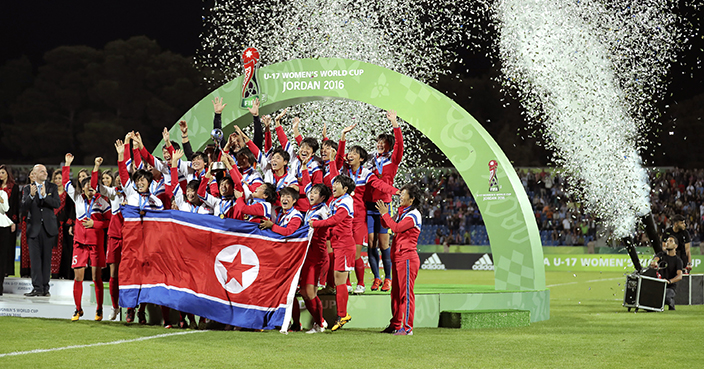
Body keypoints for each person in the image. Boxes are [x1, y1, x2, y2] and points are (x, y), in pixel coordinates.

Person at [63, 154, 112, 321]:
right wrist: (68, 164)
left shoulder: (102, 203)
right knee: (78, 277)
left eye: (92, 186)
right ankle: (78, 309)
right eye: (86, 186)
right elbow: (65, 183)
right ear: (82, 188)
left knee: (96, 277)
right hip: (79, 243)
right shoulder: (77, 199)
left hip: (96, 244)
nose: (89, 188)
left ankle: (99, 309)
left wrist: (95, 225)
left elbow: (109, 221)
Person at [310, 175, 356, 331]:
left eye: (338, 184)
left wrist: (315, 224)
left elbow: (335, 220)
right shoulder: (337, 201)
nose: (334, 186)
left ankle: (343, 314)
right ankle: (342, 314)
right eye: (334, 183)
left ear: (345, 189)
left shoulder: (346, 202)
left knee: (340, 281)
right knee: (338, 281)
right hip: (339, 245)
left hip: (345, 245)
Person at [377, 184, 422, 335]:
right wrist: (383, 213)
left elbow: (395, 228)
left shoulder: (414, 214)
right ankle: (396, 324)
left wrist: (385, 214)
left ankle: (408, 328)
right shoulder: (402, 212)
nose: (400, 196)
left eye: (403, 194)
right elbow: (386, 224)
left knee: (406, 294)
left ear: (412, 199)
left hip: (408, 257)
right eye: (400, 193)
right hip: (398, 257)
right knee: (395, 294)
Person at [366, 110, 403, 292]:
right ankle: (376, 278)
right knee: (371, 243)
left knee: (383, 244)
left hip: (384, 204)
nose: (380, 144)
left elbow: (400, 146)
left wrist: (395, 123)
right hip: (369, 205)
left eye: (384, 142)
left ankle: (388, 278)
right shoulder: (372, 160)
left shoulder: (393, 160)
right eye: (378, 142)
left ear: (389, 145)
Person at [20, 164, 60, 297]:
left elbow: (56, 203)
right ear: (34, 174)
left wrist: (44, 196)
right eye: (42, 171)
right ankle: (37, 288)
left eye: (46, 171)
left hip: (48, 228)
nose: (45, 173)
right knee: (35, 260)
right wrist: (31, 196)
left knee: (46, 259)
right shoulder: (27, 188)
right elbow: (23, 206)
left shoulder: (52, 187)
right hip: (34, 229)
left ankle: (45, 288)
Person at [649, 235, 684, 310]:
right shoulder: (661, 255)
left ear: (676, 246)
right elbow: (655, 260)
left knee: (666, 296)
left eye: (671, 241)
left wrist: (669, 281)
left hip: (670, 287)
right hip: (658, 286)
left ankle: (671, 302)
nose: (667, 243)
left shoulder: (678, 260)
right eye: (667, 241)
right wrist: (654, 262)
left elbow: (680, 276)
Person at [0, 164, 20, 279]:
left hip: (9, 221)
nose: (1, 175)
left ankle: (7, 271)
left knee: (8, 247)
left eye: (3, 172)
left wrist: (13, 221)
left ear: (7, 173)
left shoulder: (14, 187)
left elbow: (15, 206)